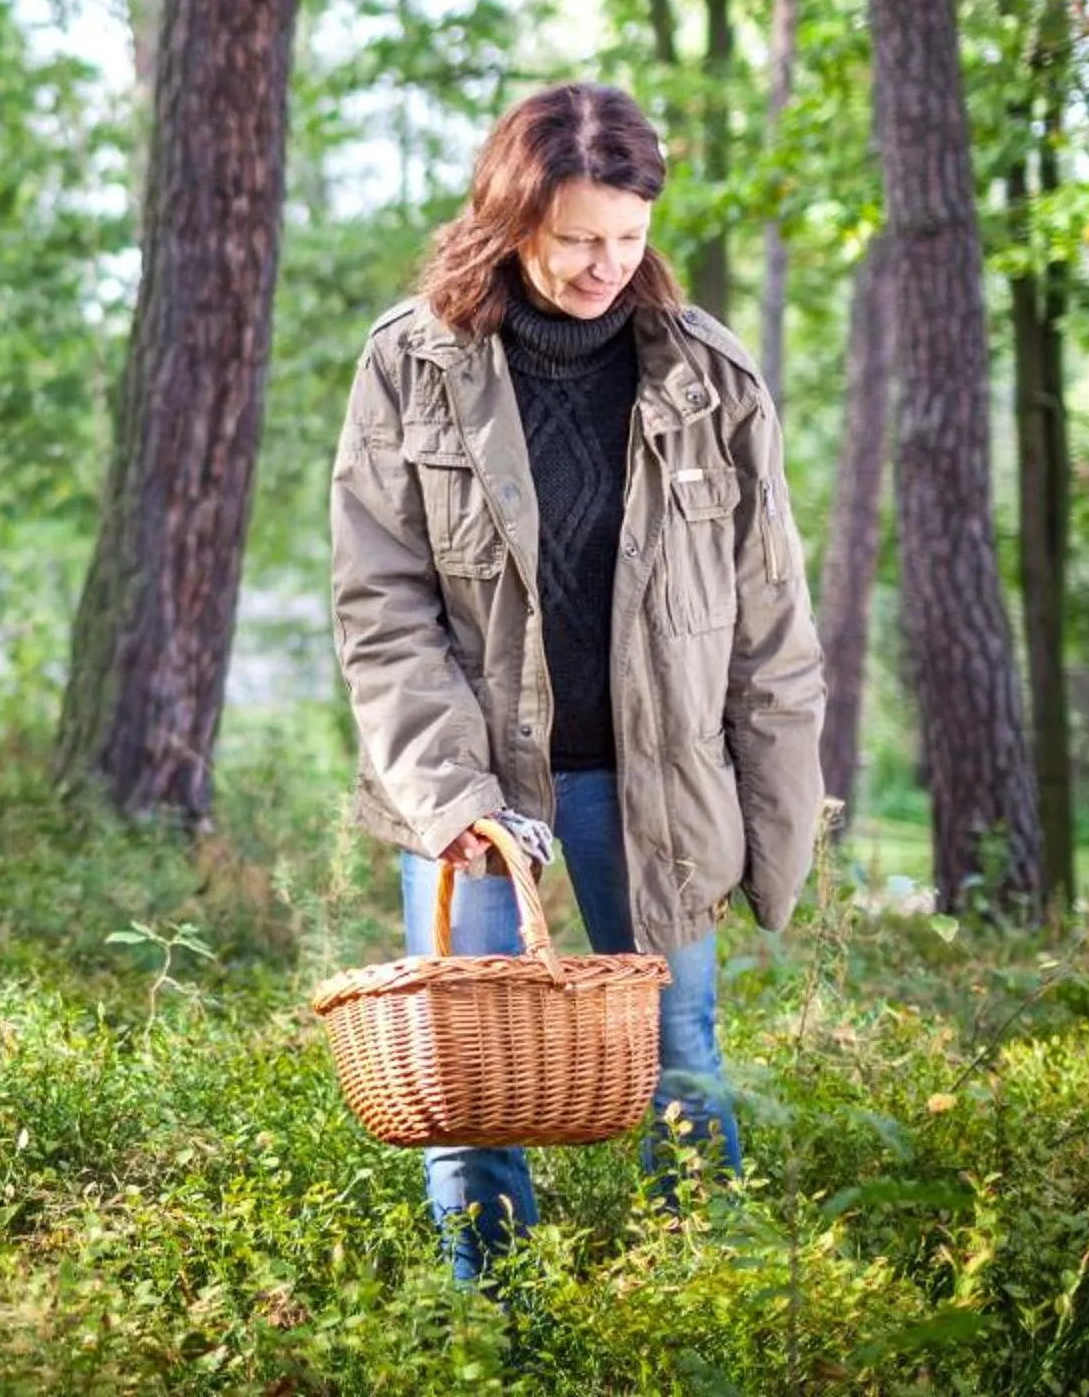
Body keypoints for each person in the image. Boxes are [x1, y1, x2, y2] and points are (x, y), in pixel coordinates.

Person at [327, 82, 825, 1284]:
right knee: (473, 1088)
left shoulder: (709, 376)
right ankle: (491, 1326)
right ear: (513, 220)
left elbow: (771, 621)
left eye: (629, 237)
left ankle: (702, 1309)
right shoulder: (410, 365)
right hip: (476, 793)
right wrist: (457, 799)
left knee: (684, 1058)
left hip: (660, 787)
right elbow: (382, 608)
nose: (607, 265)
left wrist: (776, 824)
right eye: (576, 240)